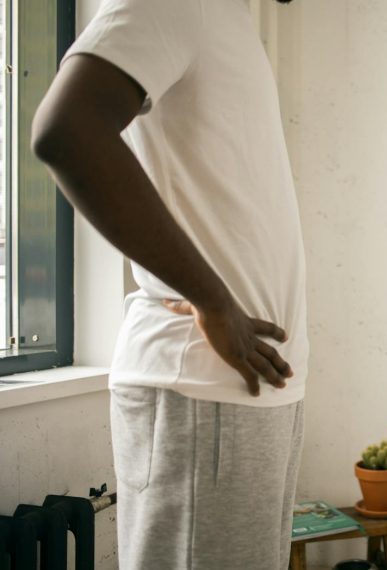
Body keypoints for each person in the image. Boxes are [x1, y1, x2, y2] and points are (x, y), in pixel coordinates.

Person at [31, 0, 306, 568]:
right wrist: (212, 298)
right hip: (200, 389)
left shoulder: (228, 18)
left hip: (242, 393)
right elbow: (67, 129)